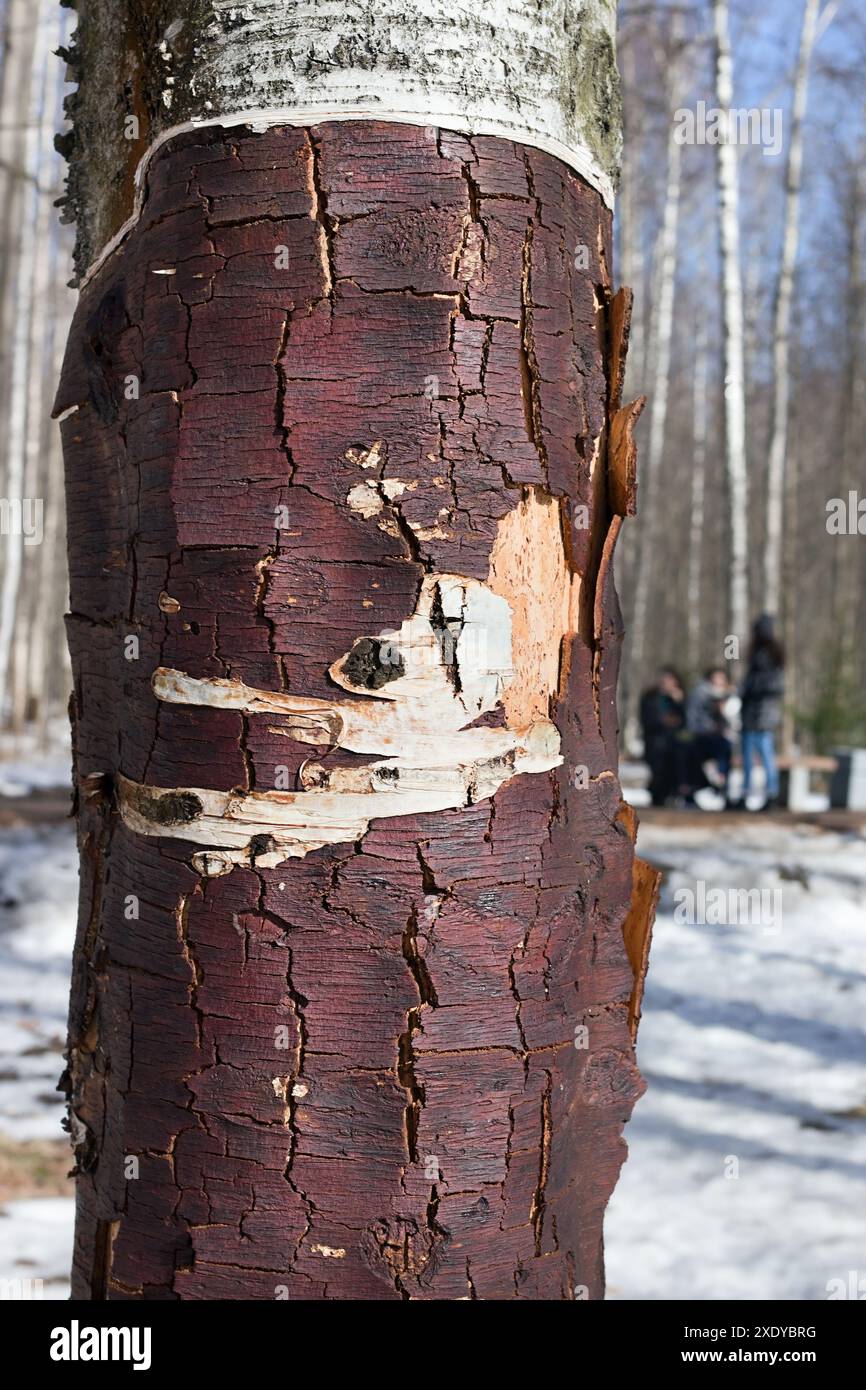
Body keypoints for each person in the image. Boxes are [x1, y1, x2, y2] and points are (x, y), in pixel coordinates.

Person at [737, 614, 786, 811]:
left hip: (763, 714)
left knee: (765, 755)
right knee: (748, 757)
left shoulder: (774, 655)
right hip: (752, 712)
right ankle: (747, 793)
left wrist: (751, 688)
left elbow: (775, 685)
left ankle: (771, 794)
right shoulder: (758, 652)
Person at [685, 667, 734, 803]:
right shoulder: (700, 693)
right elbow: (693, 717)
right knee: (696, 755)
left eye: (722, 679)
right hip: (701, 736)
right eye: (717, 678)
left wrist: (724, 712)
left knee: (725, 750)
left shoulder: (727, 696)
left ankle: (722, 784)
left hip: (719, 738)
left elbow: (732, 723)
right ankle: (711, 784)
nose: (719, 682)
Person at [640, 667, 685, 806]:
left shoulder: (678, 698)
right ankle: (658, 796)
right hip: (656, 740)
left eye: (670, 680)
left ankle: (672, 794)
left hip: (674, 742)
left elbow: (684, 721)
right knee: (659, 768)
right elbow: (648, 720)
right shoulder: (650, 697)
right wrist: (666, 722)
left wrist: (679, 703)